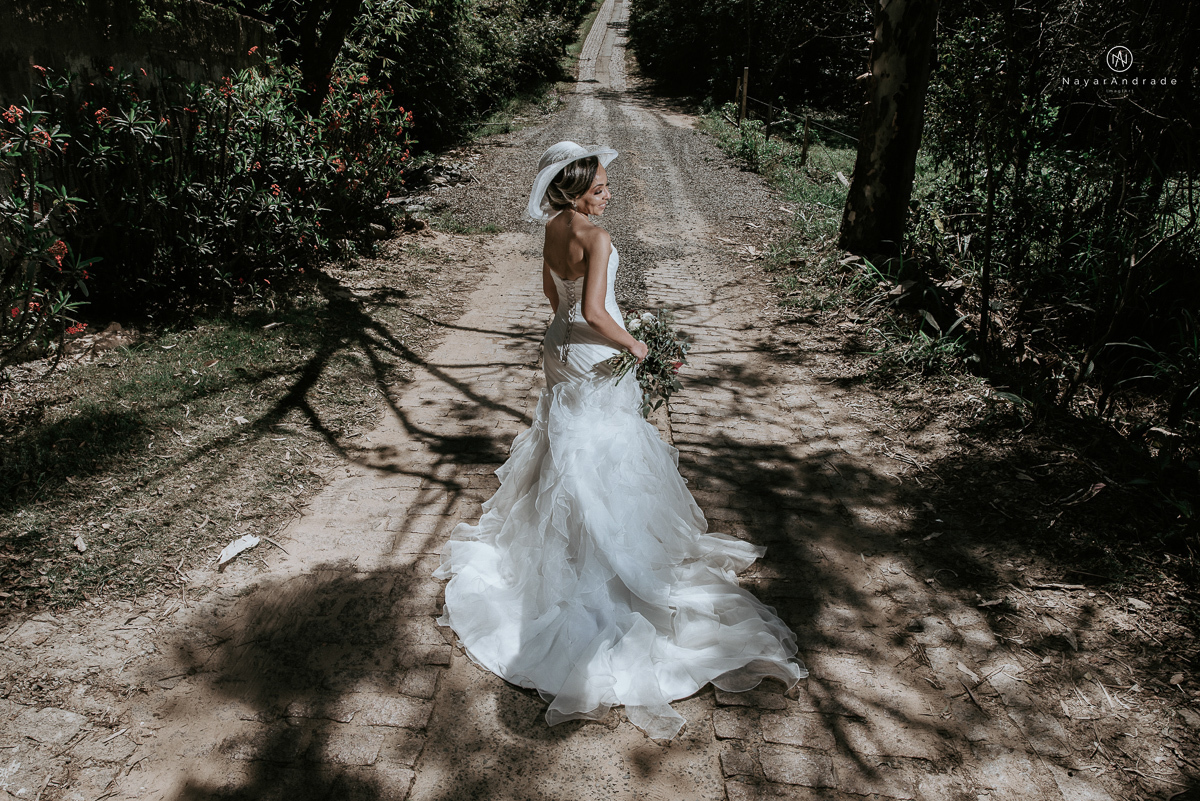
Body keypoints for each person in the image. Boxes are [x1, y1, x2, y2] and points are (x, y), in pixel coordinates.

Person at [434, 141, 805, 740]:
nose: (609, 195)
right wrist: (636, 344)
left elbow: (554, 300)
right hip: (593, 350)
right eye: (600, 189)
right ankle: (602, 564)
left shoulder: (555, 227)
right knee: (605, 452)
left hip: (558, 350)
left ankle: (560, 552)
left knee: (566, 449)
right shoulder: (598, 239)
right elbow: (593, 309)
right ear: (576, 191)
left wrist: (579, 332)